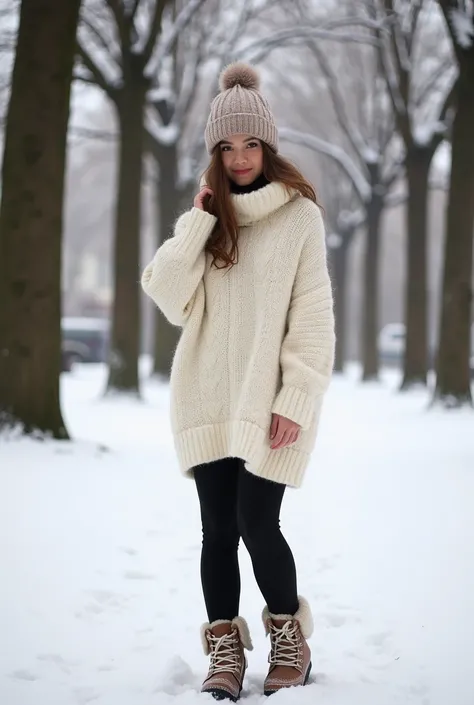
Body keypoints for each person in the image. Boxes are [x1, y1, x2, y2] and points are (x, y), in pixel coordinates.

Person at [141, 62, 335, 701]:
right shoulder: (206, 218)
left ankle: (288, 635)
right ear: (215, 153)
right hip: (204, 396)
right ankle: (224, 646)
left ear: (268, 146)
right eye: (228, 147)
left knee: (258, 520)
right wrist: (199, 220)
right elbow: (165, 293)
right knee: (217, 528)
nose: (241, 157)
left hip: (268, 401)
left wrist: (296, 397)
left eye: (251, 144)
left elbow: (312, 321)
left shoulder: (300, 218)